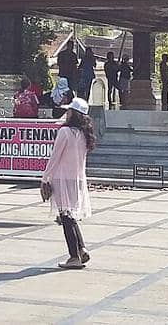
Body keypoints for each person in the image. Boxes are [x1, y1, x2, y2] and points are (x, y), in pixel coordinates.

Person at [41, 96, 95, 269]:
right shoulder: (84, 134)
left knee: (66, 218)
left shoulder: (65, 133)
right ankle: (81, 248)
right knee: (70, 216)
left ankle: (74, 256)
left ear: (73, 113)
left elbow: (55, 157)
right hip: (77, 178)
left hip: (63, 178)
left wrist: (45, 178)